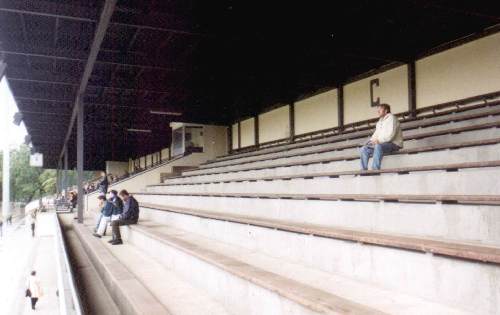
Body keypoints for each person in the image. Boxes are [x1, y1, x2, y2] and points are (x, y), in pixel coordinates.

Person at [359, 103, 403, 170]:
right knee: (364, 149)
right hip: (382, 144)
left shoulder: (392, 118)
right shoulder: (380, 121)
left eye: (380, 110)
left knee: (378, 146)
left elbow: (390, 135)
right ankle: (363, 171)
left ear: (386, 111)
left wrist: (379, 141)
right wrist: (370, 141)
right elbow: (376, 134)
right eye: (378, 110)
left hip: (394, 144)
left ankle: (375, 169)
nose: (378, 111)